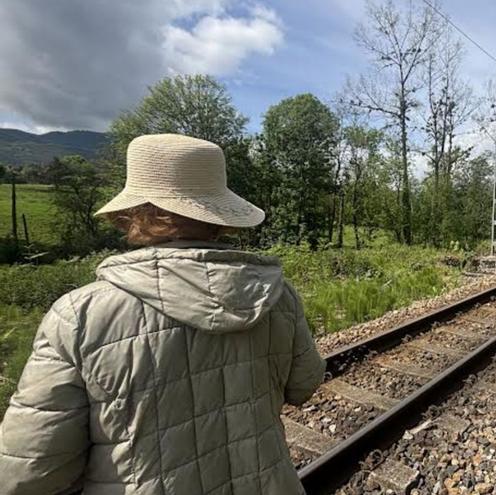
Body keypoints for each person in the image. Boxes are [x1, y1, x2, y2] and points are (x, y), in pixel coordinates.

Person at [0, 134, 326, 494]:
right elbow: (304, 384)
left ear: (136, 212)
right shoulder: (276, 295)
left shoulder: (79, 316)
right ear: (219, 215)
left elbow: (28, 474)